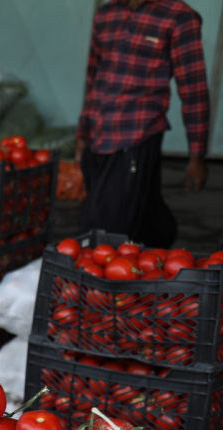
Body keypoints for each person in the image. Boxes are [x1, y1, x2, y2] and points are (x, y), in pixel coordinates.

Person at [76, 0, 210, 248]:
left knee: (101, 231)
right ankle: (160, 240)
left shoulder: (179, 17)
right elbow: (93, 77)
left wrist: (196, 156)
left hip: (135, 136)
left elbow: (194, 90)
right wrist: (83, 133)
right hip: (98, 133)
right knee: (138, 210)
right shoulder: (107, 14)